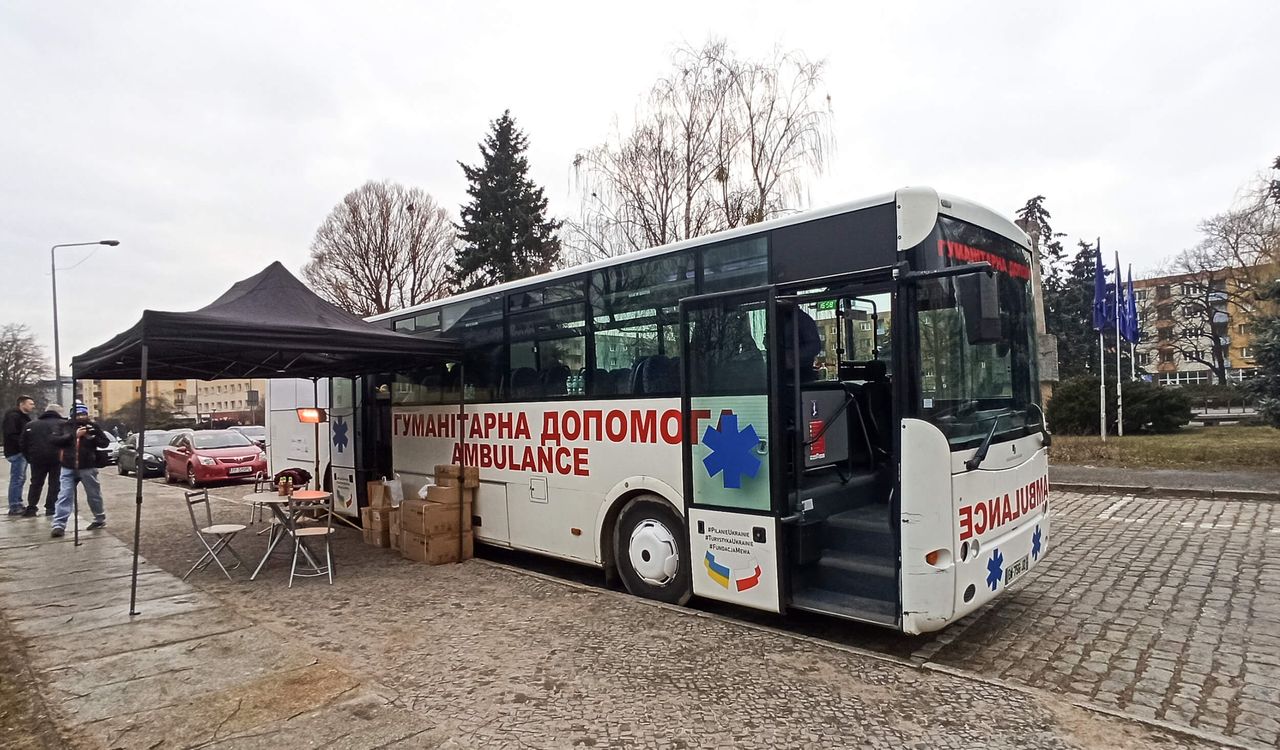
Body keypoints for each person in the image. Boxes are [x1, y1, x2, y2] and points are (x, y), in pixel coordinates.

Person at [50, 403, 109, 538]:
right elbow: (54, 440)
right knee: (64, 495)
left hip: (87, 465)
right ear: (73, 415)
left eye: (84, 414)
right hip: (68, 465)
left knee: (93, 494)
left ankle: (99, 518)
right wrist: (74, 436)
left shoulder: (93, 426)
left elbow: (104, 442)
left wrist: (93, 436)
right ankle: (59, 524)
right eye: (79, 415)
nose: (82, 417)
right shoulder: (63, 426)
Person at [20, 404, 66, 517]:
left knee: (35, 483)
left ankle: (31, 507)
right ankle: (51, 508)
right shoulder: (63, 424)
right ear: (58, 413)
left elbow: (22, 444)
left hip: (36, 459)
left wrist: (29, 457)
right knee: (55, 483)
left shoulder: (30, 425)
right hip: (57, 459)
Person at [4, 395, 35, 515]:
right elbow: (11, 434)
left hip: (20, 451)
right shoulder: (13, 416)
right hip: (17, 451)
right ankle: (15, 505)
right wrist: (24, 444)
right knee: (17, 479)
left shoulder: (21, 417)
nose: (33, 406)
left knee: (20, 478)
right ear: (22, 404)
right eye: (30, 403)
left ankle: (17, 503)